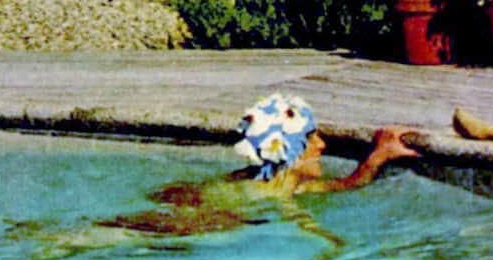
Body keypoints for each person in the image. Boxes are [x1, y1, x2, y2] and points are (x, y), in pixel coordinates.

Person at [97, 94, 420, 239]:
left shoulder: (286, 183)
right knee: (106, 238)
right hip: (194, 224)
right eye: (311, 138)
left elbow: (344, 185)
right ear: (287, 151)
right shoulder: (272, 192)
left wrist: (378, 156)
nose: (322, 145)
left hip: (202, 207)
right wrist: (335, 247)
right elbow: (303, 224)